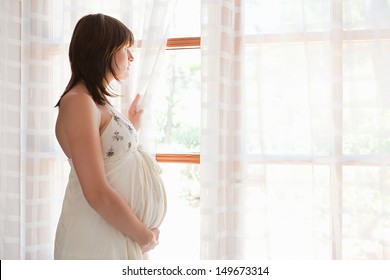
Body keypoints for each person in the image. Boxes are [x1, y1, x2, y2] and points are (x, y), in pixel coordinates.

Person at [54, 13, 167, 259]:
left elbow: (106, 155)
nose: (132, 57)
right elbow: (95, 191)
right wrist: (144, 236)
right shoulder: (77, 102)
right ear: (102, 50)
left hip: (112, 232)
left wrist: (130, 126)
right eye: (126, 49)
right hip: (97, 235)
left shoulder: (96, 102)